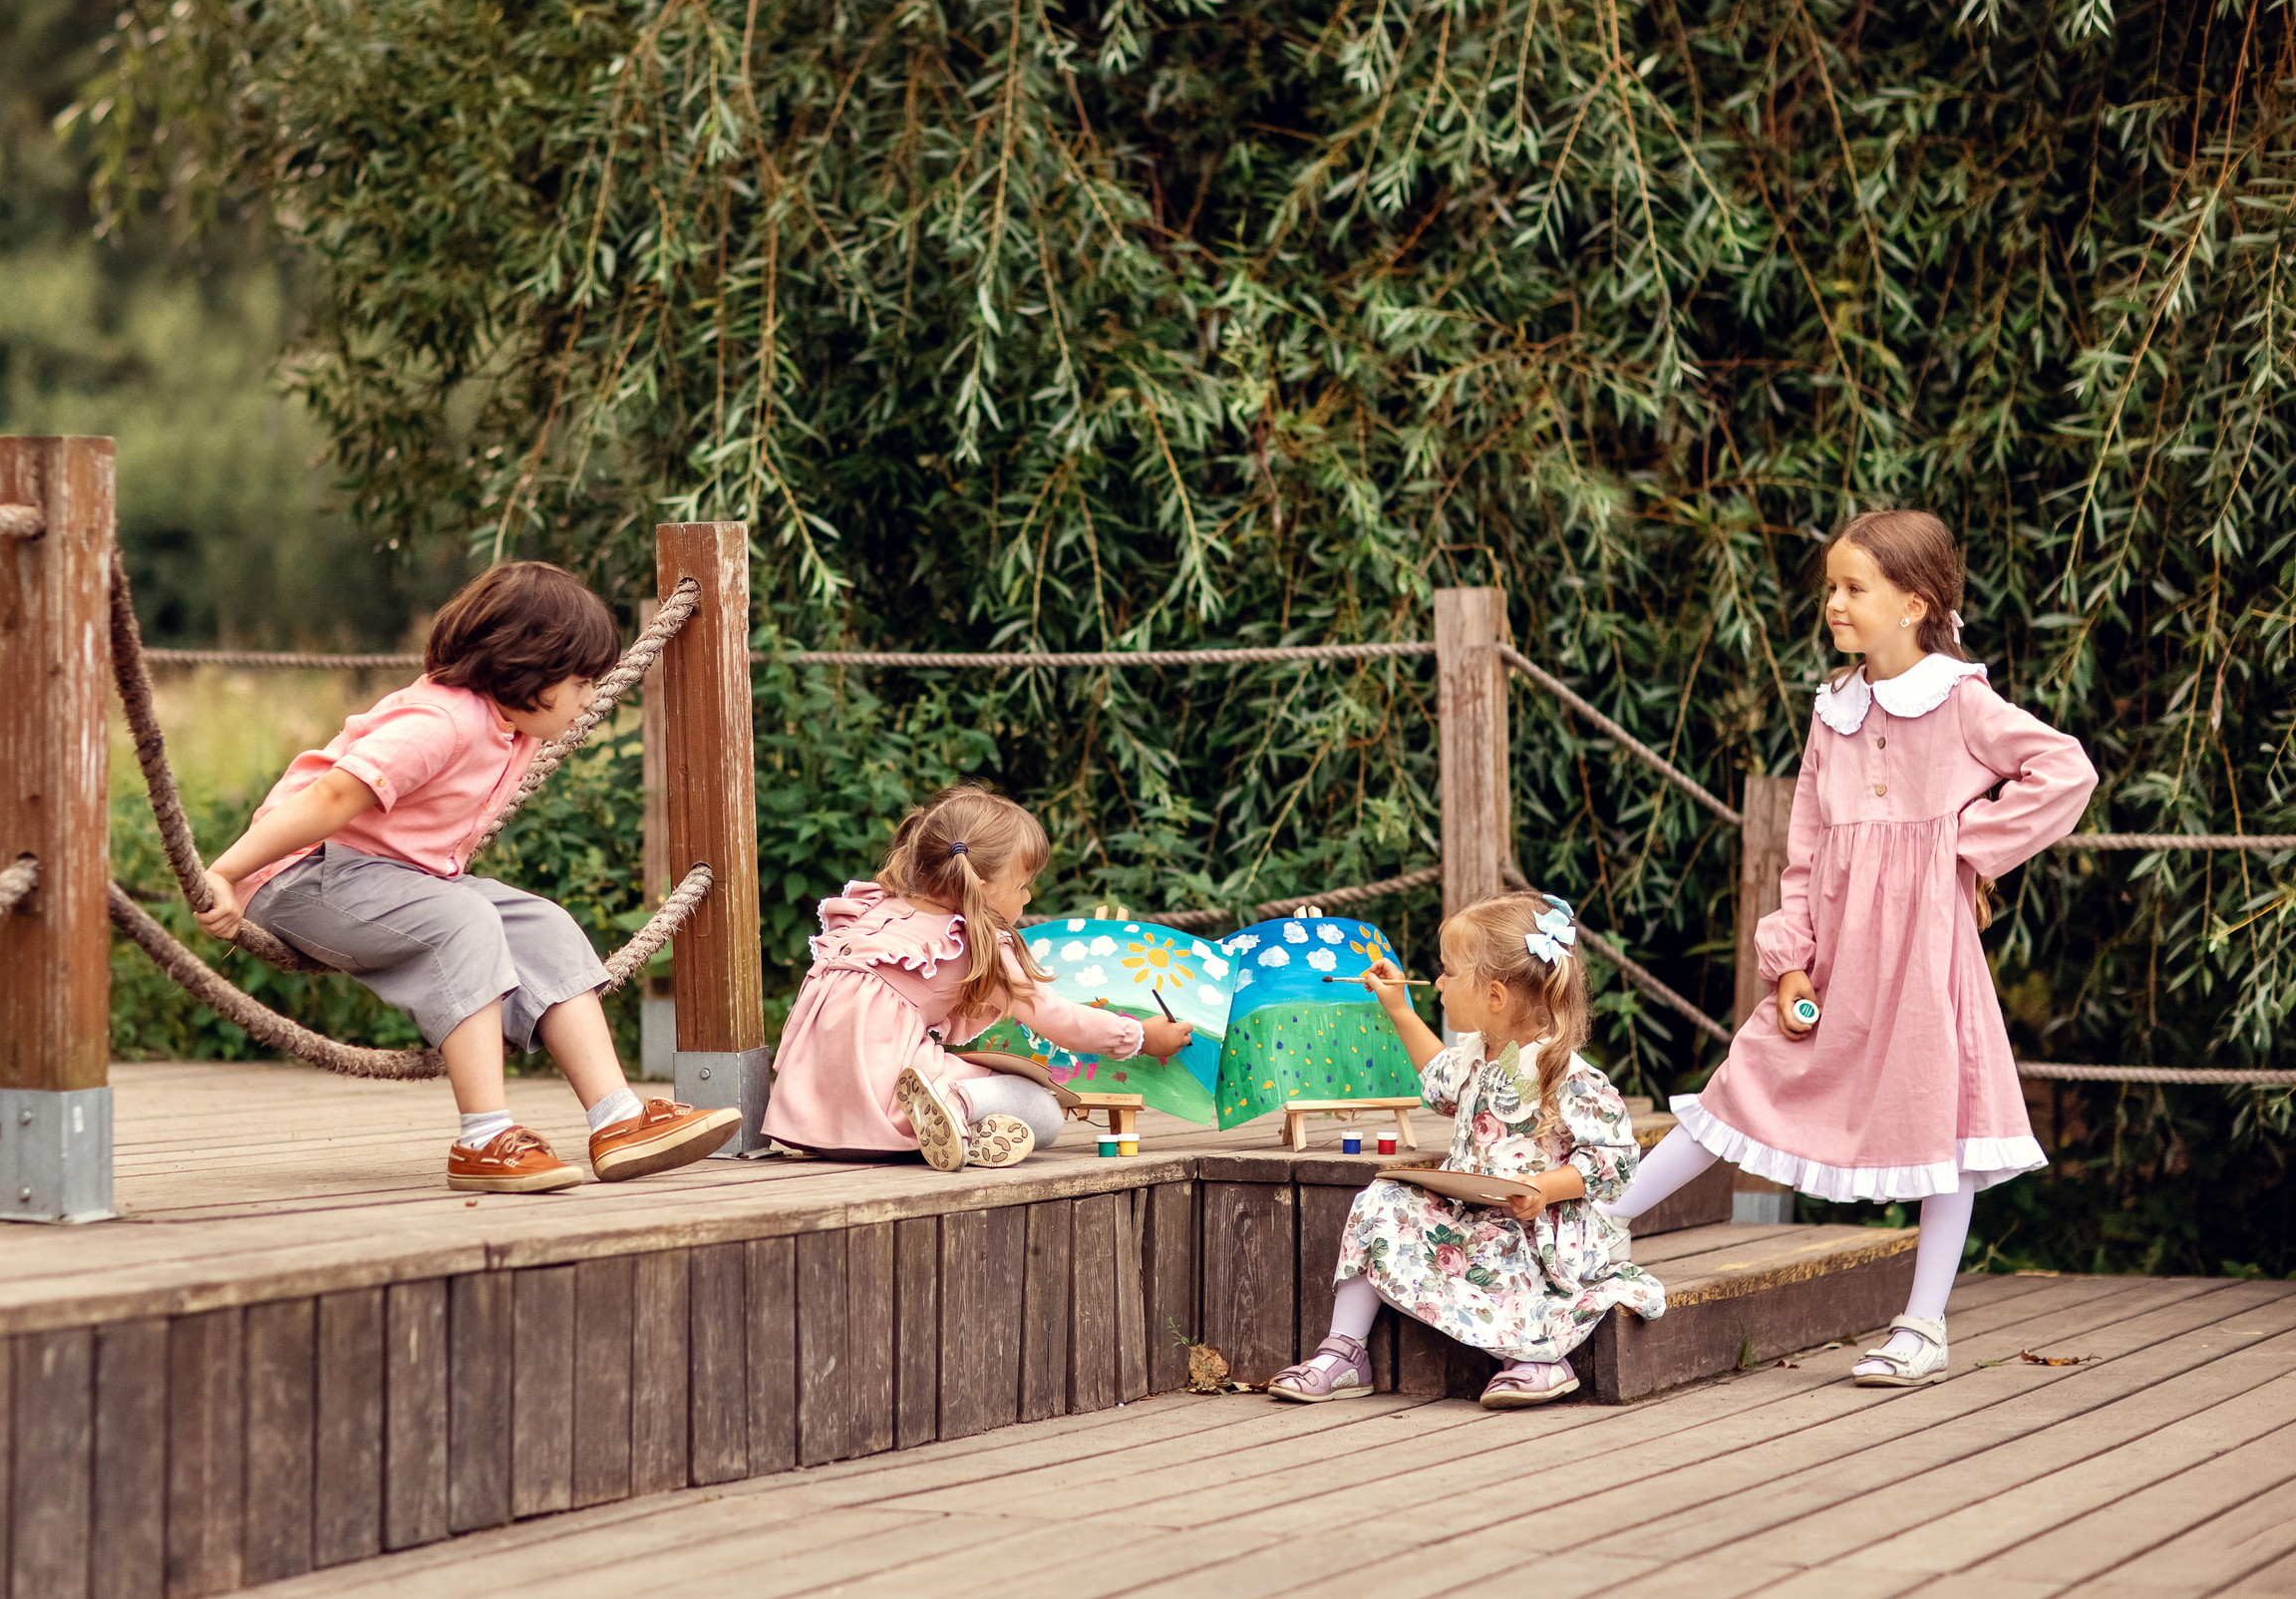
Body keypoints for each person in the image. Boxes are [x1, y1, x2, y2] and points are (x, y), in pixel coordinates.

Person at [1598, 508, 2097, 1385]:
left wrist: (1964, 843)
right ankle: (1600, 1224)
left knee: (1941, 1120)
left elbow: (2066, 770)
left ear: (1912, 602)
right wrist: (1791, 956)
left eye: (1853, 587)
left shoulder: (1963, 701)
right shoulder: (1833, 710)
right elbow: (1805, 851)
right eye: (1831, 586)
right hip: (1834, 957)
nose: (1833, 602)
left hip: (1923, 957)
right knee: (1744, 1081)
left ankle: (1924, 1320)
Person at [194, 560, 739, 1192]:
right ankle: (483, 1136)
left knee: (544, 926)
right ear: (524, 667)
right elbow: (330, 801)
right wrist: (228, 874)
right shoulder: (440, 722)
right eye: (582, 681)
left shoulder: (517, 724)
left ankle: (616, 1118)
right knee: (466, 919)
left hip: (400, 879)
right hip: (302, 875)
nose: (592, 700)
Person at [1270, 890, 1662, 1410]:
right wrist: (1397, 1007)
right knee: (1378, 1200)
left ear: (1495, 996)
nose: (1437, 982)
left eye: (1449, 972)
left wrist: (1542, 1188)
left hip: (1533, 1225)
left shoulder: (1565, 1073)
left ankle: (1537, 1358)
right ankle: (1345, 1351)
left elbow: (1613, 1158)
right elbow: (1437, 1083)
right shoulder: (1476, 1055)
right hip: (1468, 1209)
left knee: (1501, 1246)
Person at [764, 785, 1194, 1169]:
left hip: (816, 1116)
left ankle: (957, 1133)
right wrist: (1139, 1037)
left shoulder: (875, 911)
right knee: (1042, 1109)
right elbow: (1058, 1018)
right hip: (887, 1099)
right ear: (986, 885)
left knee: (977, 1091)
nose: (1027, 896)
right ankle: (954, 1105)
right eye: (1024, 884)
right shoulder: (971, 940)